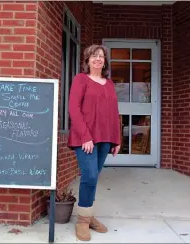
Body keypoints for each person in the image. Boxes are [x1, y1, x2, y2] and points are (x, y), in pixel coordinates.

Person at [68, 44, 121, 241]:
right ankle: (82, 221)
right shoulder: (81, 80)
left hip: (105, 137)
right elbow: (74, 109)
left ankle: (88, 216)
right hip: (86, 138)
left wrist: (116, 139)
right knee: (89, 175)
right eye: (94, 56)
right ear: (88, 60)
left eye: (101, 56)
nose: (98, 59)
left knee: (94, 177)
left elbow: (114, 114)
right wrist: (85, 136)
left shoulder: (109, 84)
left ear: (105, 61)